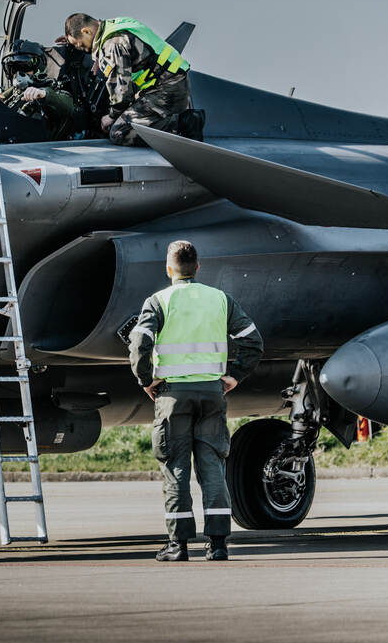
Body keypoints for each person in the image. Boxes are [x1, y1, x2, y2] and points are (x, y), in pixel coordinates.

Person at [128, 240, 263, 562]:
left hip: (172, 396)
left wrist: (145, 379)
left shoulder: (158, 301)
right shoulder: (221, 300)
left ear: (168, 268)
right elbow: (253, 341)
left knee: (176, 468)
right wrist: (234, 376)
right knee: (213, 467)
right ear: (198, 267)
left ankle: (179, 545)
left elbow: (140, 342)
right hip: (212, 395)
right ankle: (218, 544)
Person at [65, 13, 191, 146]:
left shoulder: (112, 45)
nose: (80, 48)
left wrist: (112, 116)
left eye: (78, 44)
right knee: (126, 116)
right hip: (175, 81)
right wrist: (82, 45)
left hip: (168, 89)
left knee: (119, 132)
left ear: (86, 31)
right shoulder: (116, 25)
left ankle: (184, 124)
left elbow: (122, 92)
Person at [0, 39, 79, 139]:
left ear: (39, 66)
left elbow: (68, 106)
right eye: (12, 68)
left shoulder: (50, 88)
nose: (18, 73)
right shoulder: (11, 93)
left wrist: (44, 94)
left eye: (25, 67)